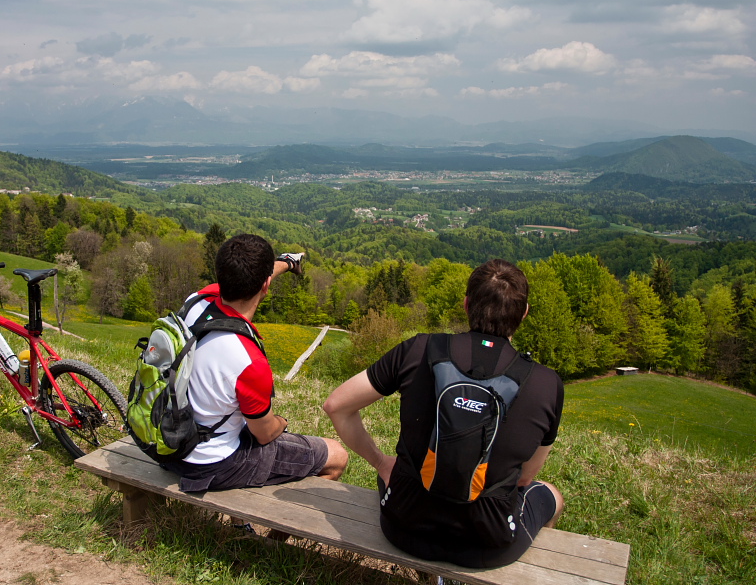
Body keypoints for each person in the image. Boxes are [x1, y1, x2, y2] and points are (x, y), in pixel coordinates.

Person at [323, 259, 564, 569]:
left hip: (403, 526)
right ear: (525, 313)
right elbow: (526, 477)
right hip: (486, 546)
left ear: (466, 304)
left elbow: (337, 406)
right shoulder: (546, 383)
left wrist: (382, 463)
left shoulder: (419, 349)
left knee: (399, 473)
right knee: (550, 494)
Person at [160, 233, 348, 495]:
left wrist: (286, 262)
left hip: (169, 443)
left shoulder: (195, 302)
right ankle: (279, 524)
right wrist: (281, 422)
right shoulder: (248, 360)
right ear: (265, 286)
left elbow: (246, 276)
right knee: (337, 456)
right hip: (211, 465)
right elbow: (264, 434)